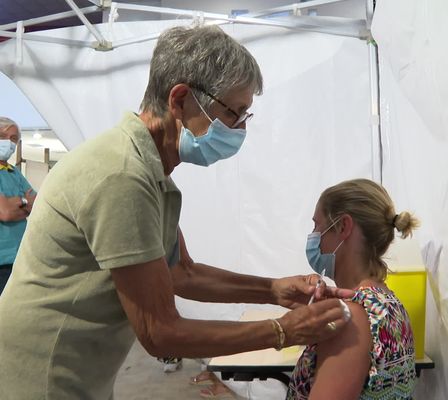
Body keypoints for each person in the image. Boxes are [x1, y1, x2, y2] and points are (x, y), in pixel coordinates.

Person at [0, 25, 352, 400]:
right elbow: (159, 332)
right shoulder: (121, 175)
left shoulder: (151, 173)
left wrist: (273, 289)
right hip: (39, 378)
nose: (238, 130)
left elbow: (180, 273)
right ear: (180, 99)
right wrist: (285, 330)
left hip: (80, 373)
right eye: (233, 113)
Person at [287, 178, 419, 400]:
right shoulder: (390, 304)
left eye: (317, 225)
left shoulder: (350, 319)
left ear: (343, 226)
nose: (313, 236)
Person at [0, 117, 36, 295]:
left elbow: (37, 205)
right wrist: (24, 201)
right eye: (2, 136)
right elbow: (5, 212)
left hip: (19, 258)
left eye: (13, 139)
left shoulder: (13, 171)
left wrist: (17, 203)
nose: (8, 143)